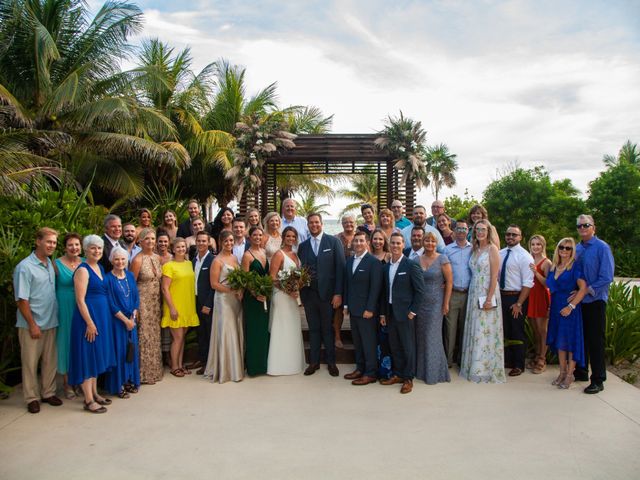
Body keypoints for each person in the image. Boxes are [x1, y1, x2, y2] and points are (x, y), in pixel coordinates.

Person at [13, 227, 62, 414]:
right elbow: (21, 300)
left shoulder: (50, 263)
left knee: (50, 362)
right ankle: (32, 397)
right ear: (38, 241)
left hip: (51, 321)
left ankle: (48, 392)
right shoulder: (25, 267)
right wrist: (32, 324)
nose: (52, 245)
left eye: (54, 243)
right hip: (32, 324)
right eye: (48, 242)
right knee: (30, 363)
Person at [68, 235, 116, 413]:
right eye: (92, 248)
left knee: (96, 355)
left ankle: (95, 393)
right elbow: (80, 300)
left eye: (99, 248)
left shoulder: (100, 267)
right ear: (85, 250)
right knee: (88, 356)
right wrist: (89, 323)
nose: (96, 251)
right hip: (87, 319)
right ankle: (88, 400)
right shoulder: (83, 270)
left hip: (101, 318)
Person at [298, 213, 346, 377]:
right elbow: (300, 271)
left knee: (328, 329)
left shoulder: (333, 242)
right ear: (308, 225)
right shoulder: (303, 246)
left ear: (321, 223)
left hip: (328, 295)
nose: (314, 225)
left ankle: (331, 362)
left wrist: (338, 293)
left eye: (316, 222)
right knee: (313, 329)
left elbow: (340, 269)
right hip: (309, 295)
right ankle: (314, 362)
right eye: (311, 223)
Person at [459, 219, 505, 384]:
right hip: (474, 290)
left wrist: (488, 298)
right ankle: (473, 365)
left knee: (485, 329)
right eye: (477, 229)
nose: (480, 232)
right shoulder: (475, 249)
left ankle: (485, 369)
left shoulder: (493, 249)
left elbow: (494, 276)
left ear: (488, 231)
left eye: (483, 229)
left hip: (487, 290)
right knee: (475, 328)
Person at [379, 232, 425, 394]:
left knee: (407, 347)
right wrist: (383, 314)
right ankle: (398, 374)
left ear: (403, 245)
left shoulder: (411, 265)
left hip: (406, 313)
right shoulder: (386, 267)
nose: (396, 246)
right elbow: (384, 293)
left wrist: (413, 311)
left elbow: (420, 291)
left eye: (398, 243)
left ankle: (408, 378)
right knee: (395, 345)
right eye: (393, 243)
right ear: (389, 245)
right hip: (390, 312)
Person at [574, 214, 614, 394]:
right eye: (579, 226)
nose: (582, 228)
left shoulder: (602, 248)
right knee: (581, 338)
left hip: (595, 301)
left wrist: (586, 291)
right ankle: (581, 371)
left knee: (595, 340)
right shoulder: (577, 249)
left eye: (586, 225)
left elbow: (606, 277)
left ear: (593, 227)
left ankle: (598, 379)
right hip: (578, 302)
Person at [546, 238, 588, 390]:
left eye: (568, 248)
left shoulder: (575, 267)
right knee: (560, 342)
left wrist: (571, 306)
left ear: (572, 251)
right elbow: (548, 285)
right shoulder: (554, 266)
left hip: (569, 310)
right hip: (556, 308)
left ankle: (570, 375)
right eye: (562, 247)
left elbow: (583, 288)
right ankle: (562, 372)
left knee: (570, 343)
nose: (564, 250)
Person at [343, 230, 383, 385]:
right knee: (358, 342)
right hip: (353, 309)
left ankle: (371, 373)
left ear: (367, 242)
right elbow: (347, 284)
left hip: (367, 311)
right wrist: (346, 304)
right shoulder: (349, 261)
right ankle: (360, 368)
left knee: (368, 343)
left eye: (361, 241)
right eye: (356, 241)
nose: (358, 244)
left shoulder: (373, 262)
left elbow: (375, 288)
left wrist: (370, 309)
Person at [204, 230, 244, 383]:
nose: (229, 243)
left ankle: (236, 366)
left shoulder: (234, 257)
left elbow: (240, 278)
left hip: (236, 300)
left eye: (231, 240)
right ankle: (226, 370)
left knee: (236, 328)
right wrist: (232, 290)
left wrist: (240, 289)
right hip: (223, 300)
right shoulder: (217, 261)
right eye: (226, 241)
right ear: (221, 242)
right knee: (227, 331)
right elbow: (214, 284)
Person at [267, 227, 306, 376]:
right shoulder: (279, 254)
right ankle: (278, 365)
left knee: (292, 327)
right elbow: (272, 277)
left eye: (293, 236)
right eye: (288, 236)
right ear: (283, 237)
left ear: (296, 238)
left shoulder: (295, 255)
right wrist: (288, 290)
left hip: (293, 297)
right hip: (282, 296)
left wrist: (298, 285)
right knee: (281, 328)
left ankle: (293, 363)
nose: (290, 238)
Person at [416, 232, 452, 385]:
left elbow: (449, 282)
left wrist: (446, 303)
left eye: (432, 241)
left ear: (436, 243)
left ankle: (435, 373)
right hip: (420, 304)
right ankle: (421, 370)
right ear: (422, 242)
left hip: (436, 303)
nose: (430, 243)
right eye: (427, 240)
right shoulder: (416, 259)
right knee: (422, 336)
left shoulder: (442, 259)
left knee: (432, 336)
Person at [104, 247, 140, 398]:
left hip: (131, 321)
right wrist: (125, 320)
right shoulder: (108, 279)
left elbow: (136, 297)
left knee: (131, 351)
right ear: (112, 260)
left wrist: (133, 316)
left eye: (123, 259)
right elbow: (110, 303)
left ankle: (129, 380)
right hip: (117, 322)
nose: (120, 262)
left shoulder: (130, 276)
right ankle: (118, 384)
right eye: (117, 259)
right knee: (119, 352)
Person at [499, 224, 534, 377]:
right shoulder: (499, 253)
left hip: (516, 297)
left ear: (520, 237)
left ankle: (519, 364)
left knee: (517, 331)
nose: (511, 237)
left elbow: (528, 283)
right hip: (501, 296)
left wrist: (519, 303)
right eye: (508, 234)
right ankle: (508, 360)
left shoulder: (525, 256)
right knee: (504, 329)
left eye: (514, 235)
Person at [161, 237, 199, 377]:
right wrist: (171, 308)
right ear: (173, 249)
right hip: (175, 305)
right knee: (177, 338)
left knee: (182, 337)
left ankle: (180, 364)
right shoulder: (169, 266)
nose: (181, 249)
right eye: (178, 247)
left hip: (187, 305)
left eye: (183, 247)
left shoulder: (189, 264)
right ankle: (174, 366)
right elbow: (164, 288)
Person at [130, 228, 164, 384]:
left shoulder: (158, 258)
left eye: (152, 238)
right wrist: (134, 308)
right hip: (143, 302)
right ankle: (143, 373)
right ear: (140, 241)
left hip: (156, 302)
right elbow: (131, 285)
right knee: (144, 336)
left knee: (155, 335)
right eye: (147, 239)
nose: (150, 241)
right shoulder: (137, 260)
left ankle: (155, 370)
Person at [54, 232, 83, 399]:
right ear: (65, 247)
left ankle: (79, 379)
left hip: (82, 307)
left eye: (77, 245)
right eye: (70, 245)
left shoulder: (85, 263)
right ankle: (67, 383)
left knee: (79, 343)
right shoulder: (56, 265)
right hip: (64, 307)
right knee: (65, 343)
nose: (74, 248)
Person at [241, 226, 270, 376]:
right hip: (253, 299)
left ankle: (263, 365)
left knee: (264, 332)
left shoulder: (264, 252)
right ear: (249, 237)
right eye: (255, 235)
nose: (258, 237)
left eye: (260, 235)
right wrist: (256, 293)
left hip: (266, 297)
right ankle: (253, 367)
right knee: (253, 332)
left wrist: (265, 292)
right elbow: (245, 280)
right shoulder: (247, 255)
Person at [443, 220, 472, 367]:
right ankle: (448, 361)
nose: (461, 231)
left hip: (469, 294)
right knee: (450, 329)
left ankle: (462, 359)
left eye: (464, 228)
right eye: (458, 228)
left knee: (466, 328)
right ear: (454, 231)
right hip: (453, 294)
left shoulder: (473, 249)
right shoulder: (447, 250)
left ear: (468, 231)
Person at [191, 230, 215, 375]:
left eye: (203, 241)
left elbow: (214, 284)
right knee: (200, 333)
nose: (201, 243)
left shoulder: (212, 260)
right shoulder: (194, 260)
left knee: (208, 333)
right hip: (195, 301)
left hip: (207, 303)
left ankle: (209, 363)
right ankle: (202, 358)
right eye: (199, 241)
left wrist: (208, 303)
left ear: (208, 243)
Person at [527, 234, 551, 374]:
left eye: (538, 244)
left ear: (543, 246)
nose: (535, 247)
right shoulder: (529, 259)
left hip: (541, 297)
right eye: (533, 244)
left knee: (543, 331)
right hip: (530, 296)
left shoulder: (546, 262)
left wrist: (536, 272)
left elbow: (548, 283)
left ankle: (542, 359)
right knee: (535, 330)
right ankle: (537, 355)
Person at [370, 229, 392, 379]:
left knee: (385, 337)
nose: (377, 242)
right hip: (371, 301)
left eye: (380, 239)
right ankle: (372, 368)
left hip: (386, 301)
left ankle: (386, 370)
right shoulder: (368, 257)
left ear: (384, 241)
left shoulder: (390, 257)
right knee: (372, 336)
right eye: (375, 239)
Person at [334, 213, 357, 349]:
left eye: (351, 222)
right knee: (338, 309)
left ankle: (356, 336)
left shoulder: (361, 237)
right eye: (346, 222)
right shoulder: (336, 238)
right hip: (340, 278)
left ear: (355, 223)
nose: (349, 224)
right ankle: (337, 337)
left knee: (355, 308)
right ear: (342, 224)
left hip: (356, 279)